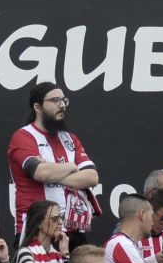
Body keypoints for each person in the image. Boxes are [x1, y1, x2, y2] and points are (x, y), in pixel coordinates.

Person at [7, 82, 101, 241]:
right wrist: (71, 167)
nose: (62, 105)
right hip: (37, 230)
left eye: (64, 100)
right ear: (37, 107)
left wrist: (53, 171)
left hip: (73, 229)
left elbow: (92, 177)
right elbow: (40, 173)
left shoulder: (69, 138)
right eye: (55, 100)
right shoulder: (23, 136)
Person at [102, 194, 158, 263]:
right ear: (142, 214)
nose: (153, 222)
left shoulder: (124, 243)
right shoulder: (121, 244)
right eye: (152, 216)